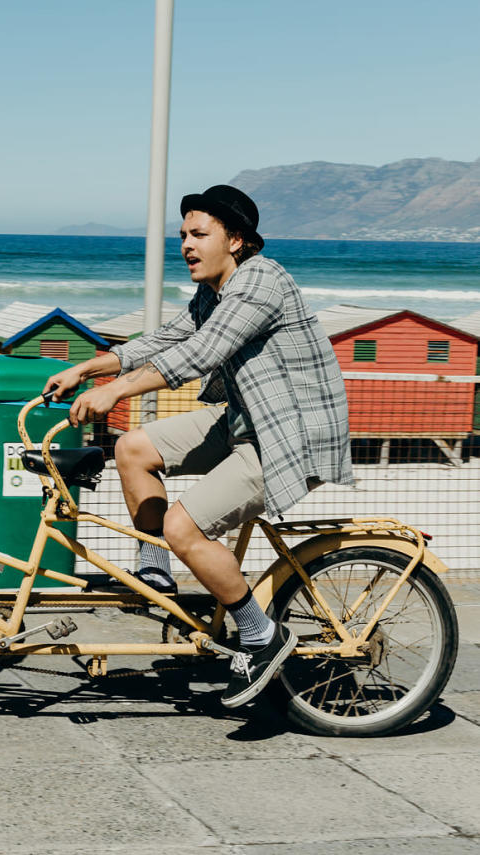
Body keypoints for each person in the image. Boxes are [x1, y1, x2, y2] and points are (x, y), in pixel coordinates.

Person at [43, 184, 353, 707]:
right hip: (241, 419)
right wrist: (87, 367)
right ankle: (156, 574)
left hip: (286, 433)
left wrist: (115, 391)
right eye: (182, 234)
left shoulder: (261, 279)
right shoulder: (213, 290)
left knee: (182, 525)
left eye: (198, 234)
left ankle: (261, 637)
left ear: (236, 240)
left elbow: (203, 353)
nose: (185, 244)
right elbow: (165, 339)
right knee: (133, 449)